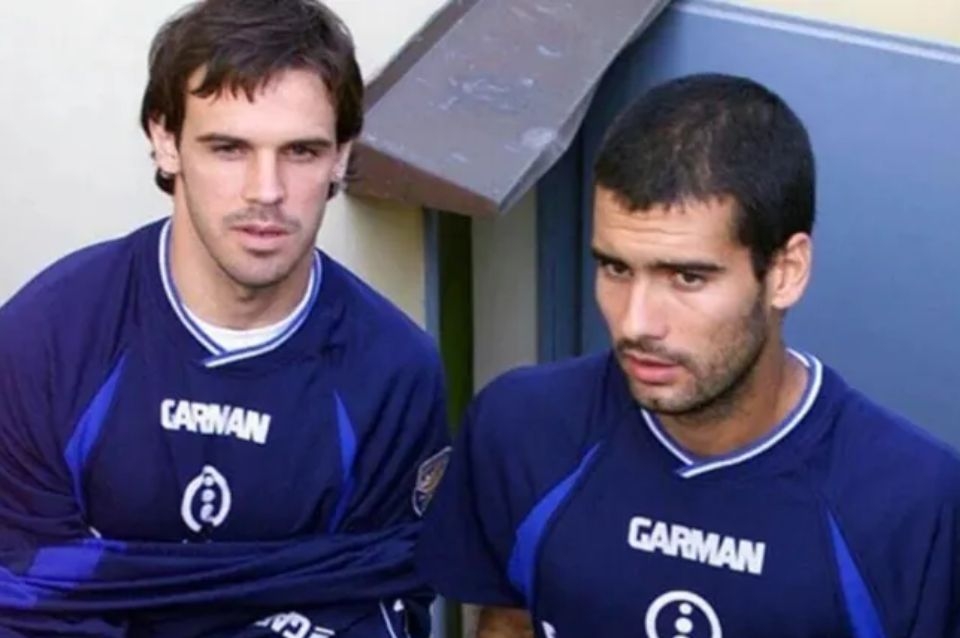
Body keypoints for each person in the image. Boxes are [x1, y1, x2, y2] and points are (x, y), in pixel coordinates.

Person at [416, 73, 960, 637]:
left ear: (785, 272)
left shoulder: (914, 500)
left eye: (687, 277)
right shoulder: (520, 428)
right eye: (615, 268)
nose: (636, 323)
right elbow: (509, 622)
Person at [0, 1, 450, 636]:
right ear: (166, 141)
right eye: (229, 148)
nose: (266, 190)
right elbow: (26, 596)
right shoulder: (48, 334)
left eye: (301, 151)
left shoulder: (393, 371)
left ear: (341, 156)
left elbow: (375, 603)